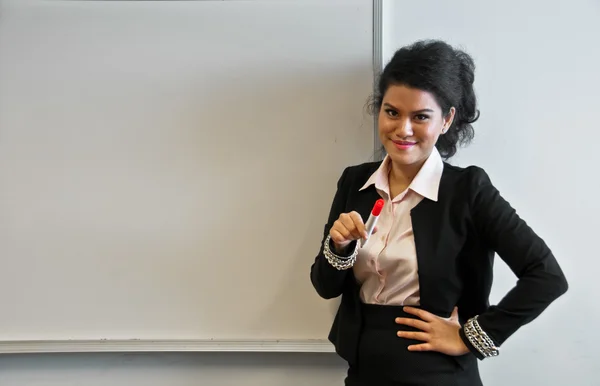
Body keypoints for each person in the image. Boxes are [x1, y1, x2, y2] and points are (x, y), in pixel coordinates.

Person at [309, 40, 568, 386]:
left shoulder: (468, 190)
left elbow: (547, 276)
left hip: (439, 376)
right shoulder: (355, 182)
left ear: (446, 120)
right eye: (392, 112)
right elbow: (325, 287)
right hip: (362, 373)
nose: (402, 129)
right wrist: (338, 249)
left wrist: (470, 337)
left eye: (420, 117)